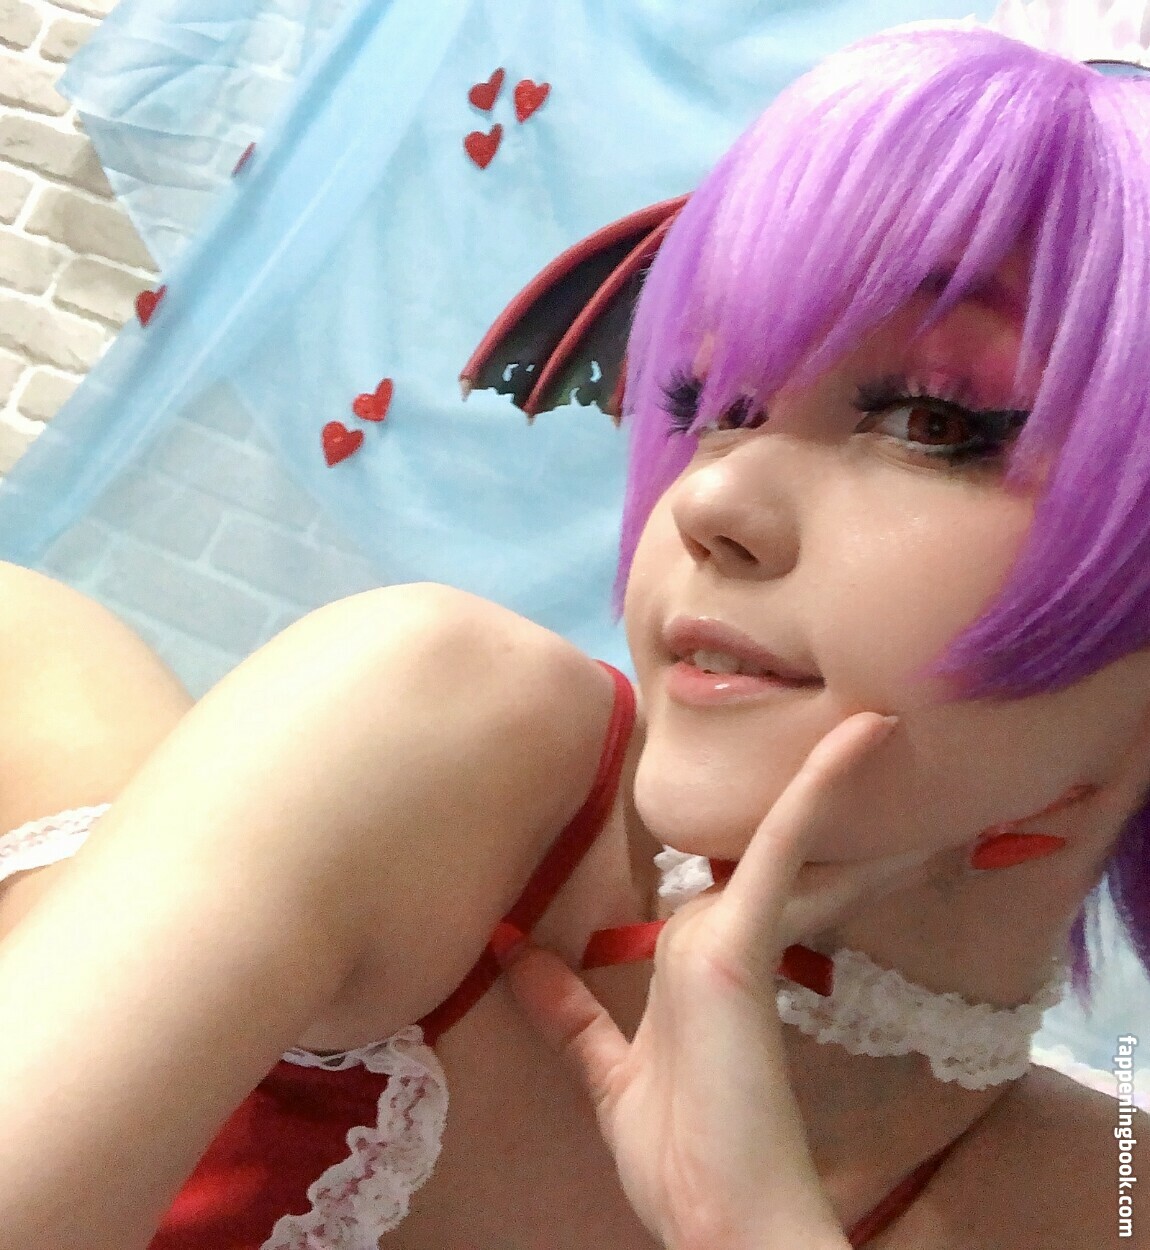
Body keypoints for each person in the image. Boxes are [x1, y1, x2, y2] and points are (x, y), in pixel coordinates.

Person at [1, 18, 1148, 1249]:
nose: (708, 501)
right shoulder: (437, 732)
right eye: (710, 402)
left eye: (932, 420)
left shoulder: (1102, 1196)